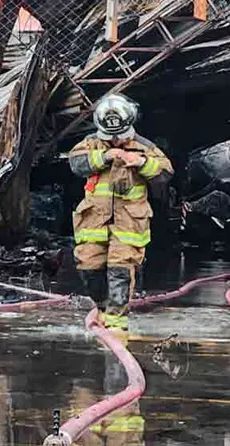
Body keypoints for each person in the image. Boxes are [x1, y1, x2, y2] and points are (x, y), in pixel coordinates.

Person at [68, 94, 173, 330]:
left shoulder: (144, 147)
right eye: (110, 136)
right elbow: (75, 163)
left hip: (129, 224)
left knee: (120, 270)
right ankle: (102, 308)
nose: (115, 140)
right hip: (94, 221)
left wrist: (142, 163)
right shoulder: (91, 144)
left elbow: (165, 173)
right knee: (89, 268)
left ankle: (117, 323)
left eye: (119, 135)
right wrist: (104, 157)